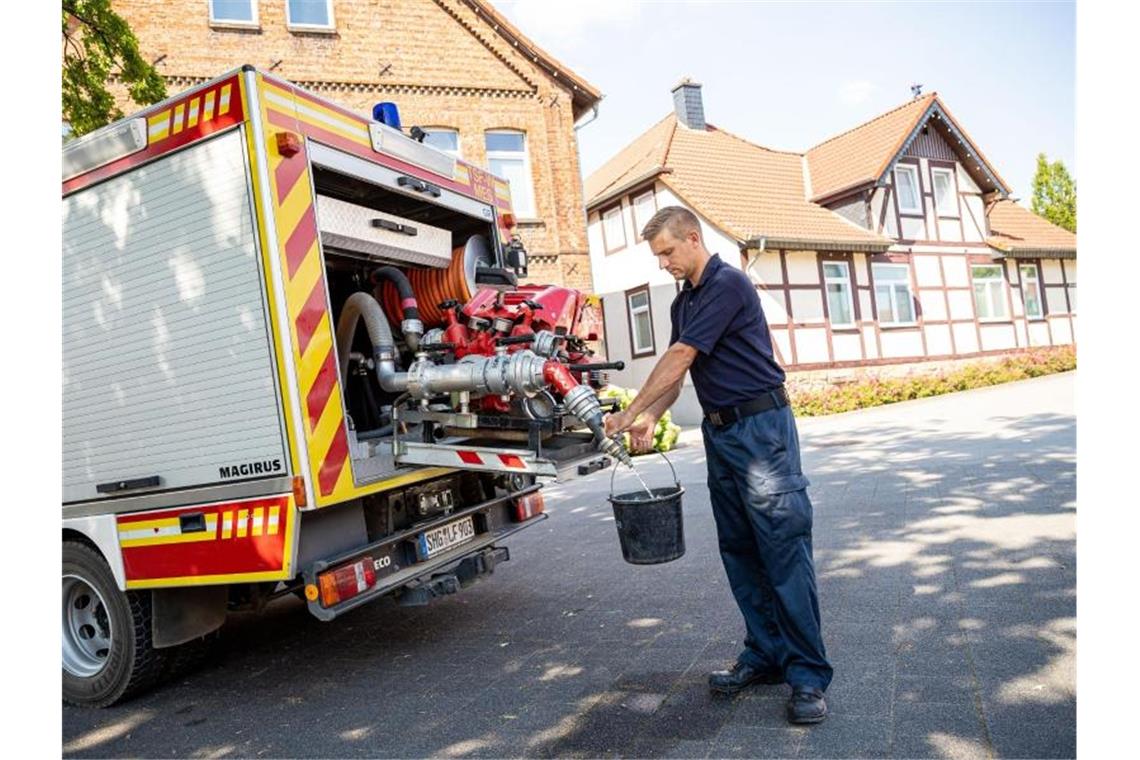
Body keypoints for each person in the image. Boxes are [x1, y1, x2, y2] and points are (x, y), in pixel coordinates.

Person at [604, 206, 832, 725]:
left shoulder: (728, 285)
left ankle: (808, 677)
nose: (663, 264)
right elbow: (681, 372)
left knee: (783, 548)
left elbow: (681, 356)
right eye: (657, 256)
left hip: (762, 432)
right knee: (740, 549)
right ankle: (767, 655)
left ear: (692, 238)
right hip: (721, 432)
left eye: (667, 252)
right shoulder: (684, 302)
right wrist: (652, 417)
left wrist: (629, 413)